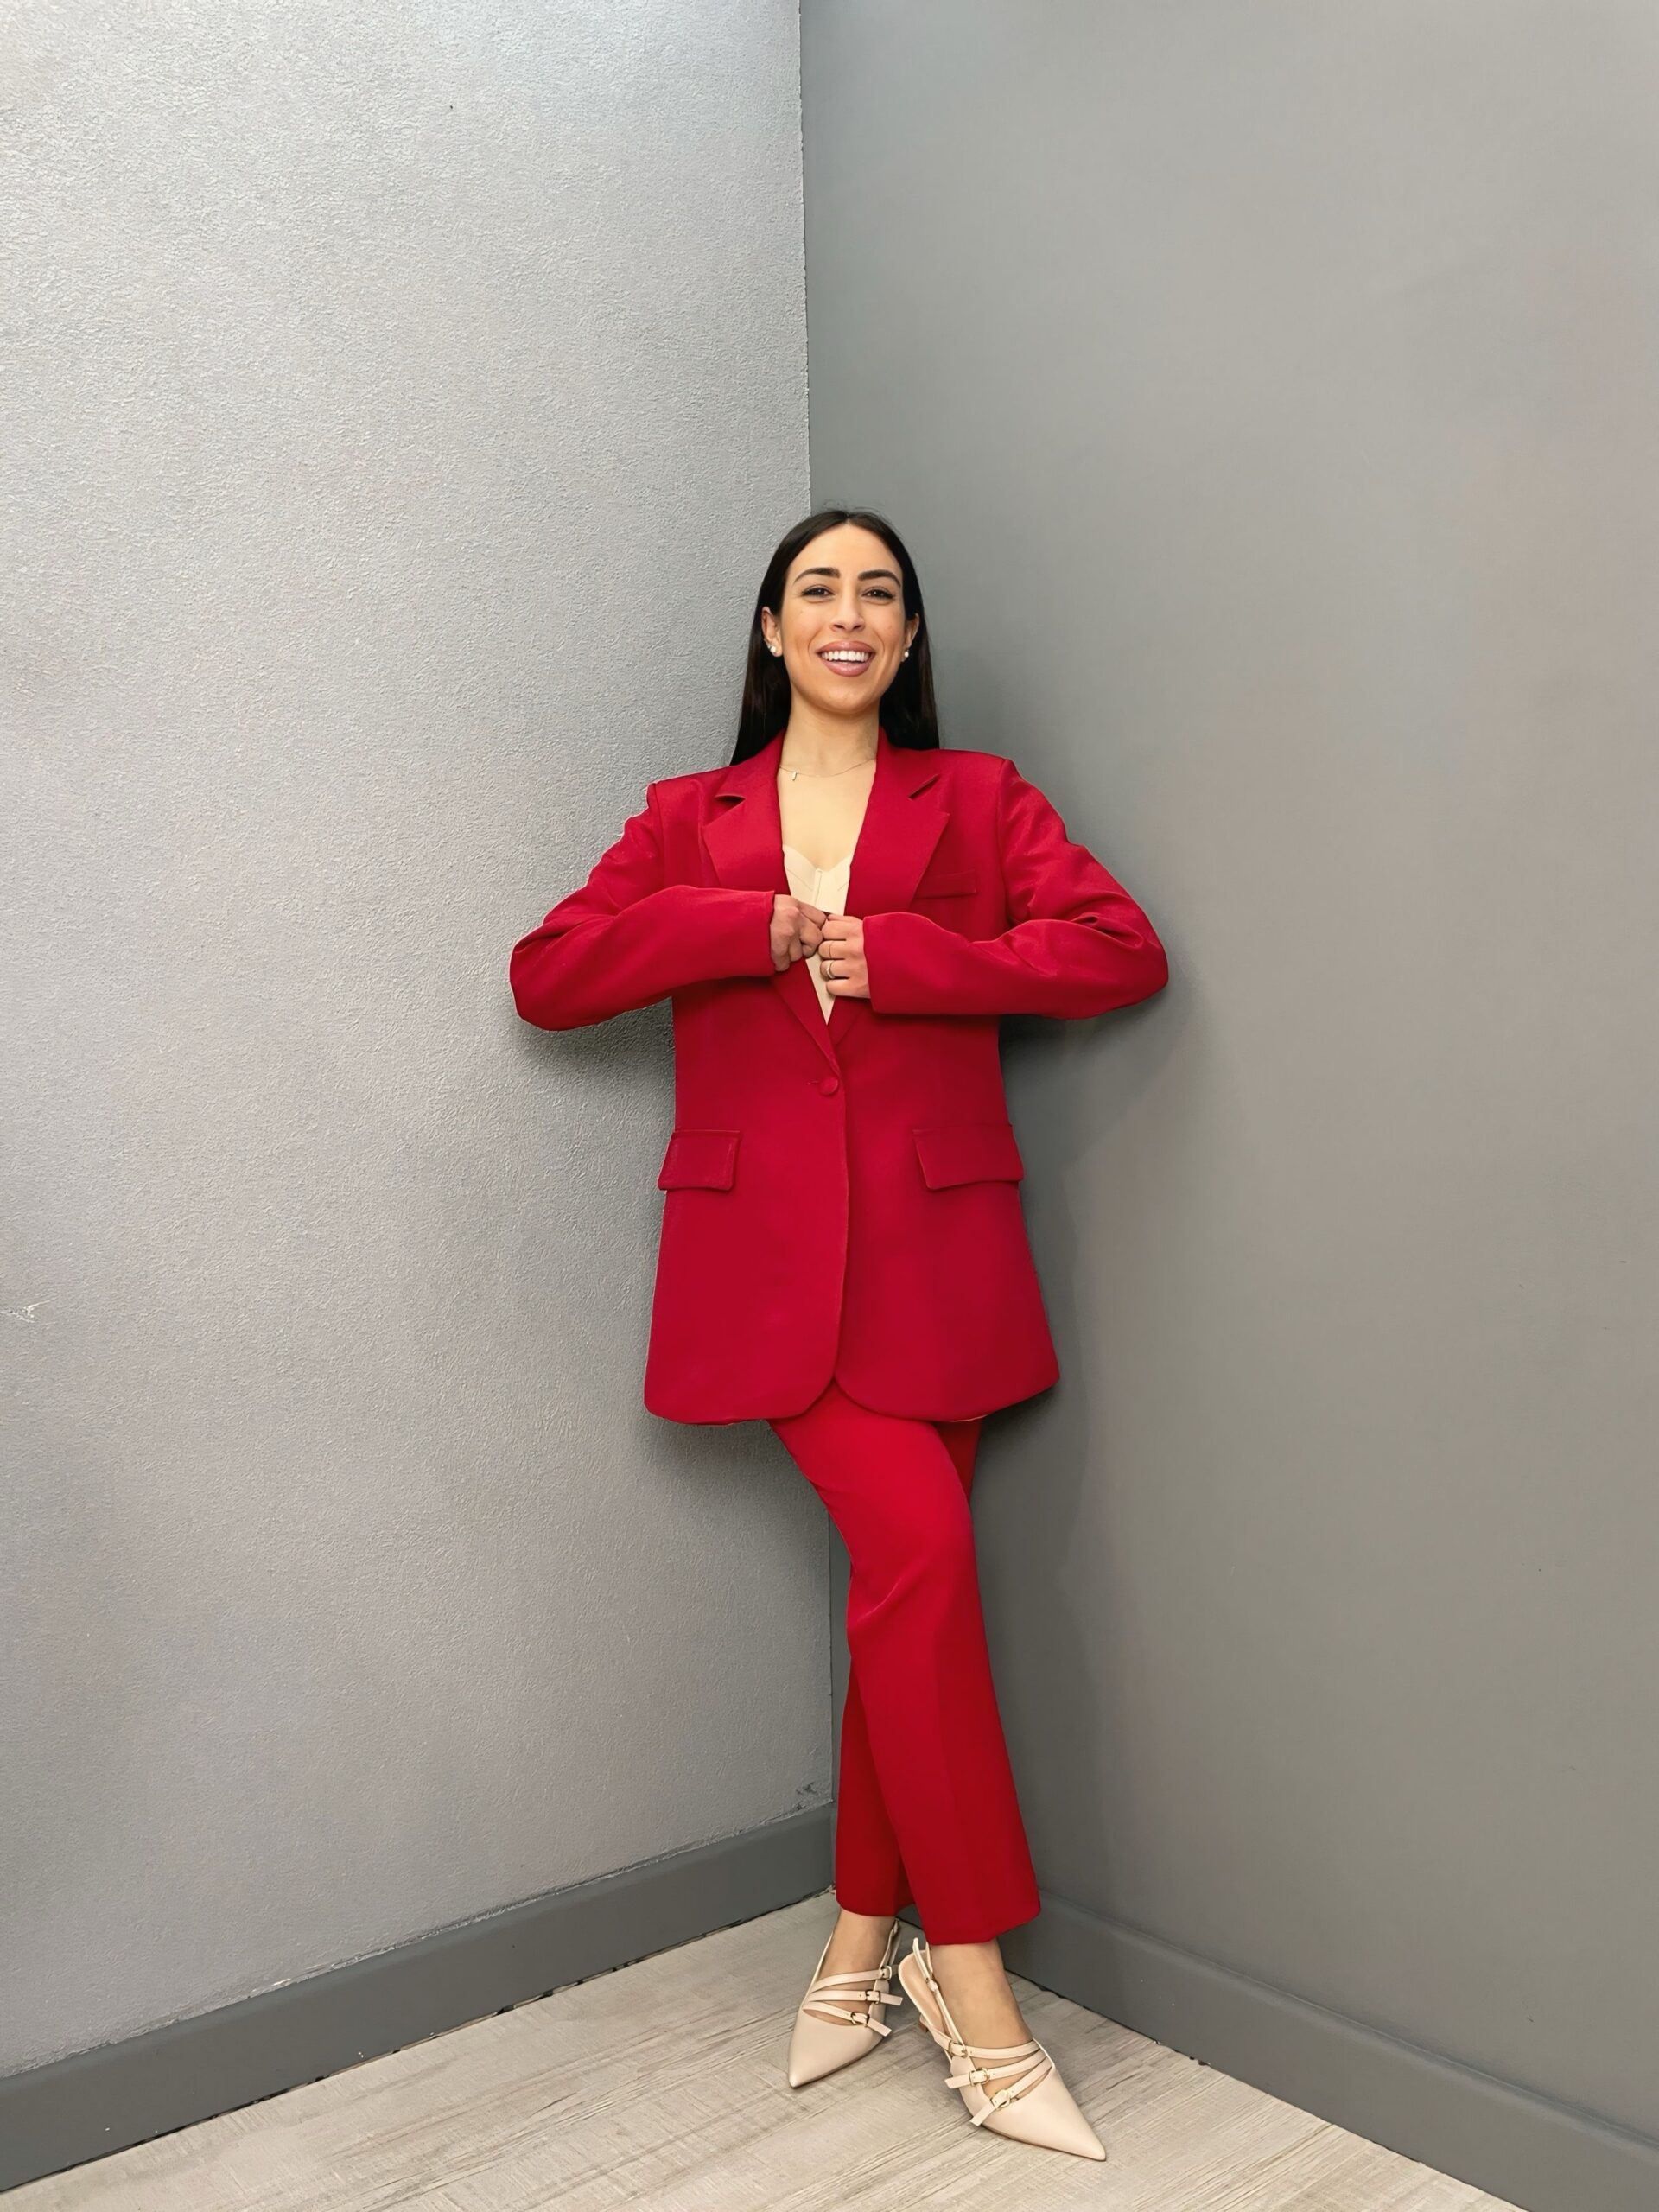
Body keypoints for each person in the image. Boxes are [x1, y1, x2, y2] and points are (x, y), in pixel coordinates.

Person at [508, 507, 1168, 2162]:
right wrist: (735, 928)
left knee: (905, 1603)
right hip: (769, 1274)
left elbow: (1118, 951)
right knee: (924, 1571)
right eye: (819, 590)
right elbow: (550, 975)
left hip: (942, 1264)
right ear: (772, 628)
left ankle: (861, 1936)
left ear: (910, 633)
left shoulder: (982, 799)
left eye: (880, 591)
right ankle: (979, 1991)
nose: (849, 613)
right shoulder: (690, 817)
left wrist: (917, 962)